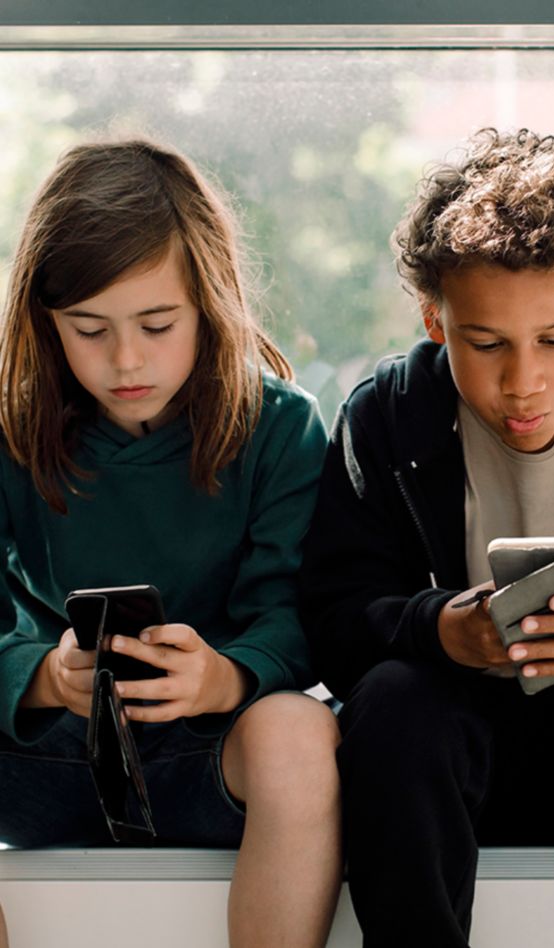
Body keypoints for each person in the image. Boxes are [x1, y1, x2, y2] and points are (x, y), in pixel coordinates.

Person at [301, 127, 554, 946]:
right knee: (390, 701)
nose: (522, 382)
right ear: (433, 318)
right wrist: (439, 627)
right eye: (483, 344)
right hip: (448, 766)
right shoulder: (384, 415)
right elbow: (331, 621)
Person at [0, 139, 341, 948]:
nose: (126, 360)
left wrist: (224, 677)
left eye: (158, 324)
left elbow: (300, 618)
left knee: (299, 732)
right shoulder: (10, 431)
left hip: (207, 761)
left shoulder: (281, 428)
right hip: (46, 762)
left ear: (209, 302)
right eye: (89, 330)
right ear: (46, 326)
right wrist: (43, 677)